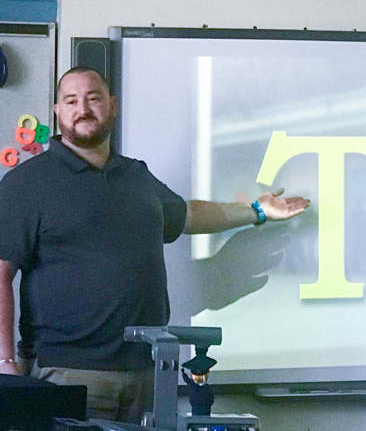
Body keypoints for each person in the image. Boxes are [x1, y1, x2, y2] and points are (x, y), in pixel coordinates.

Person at [0, 67, 309, 423]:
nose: (82, 108)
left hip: (147, 370)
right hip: (70, 373)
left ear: (112, 106)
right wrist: (5, 362)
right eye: (71, 101)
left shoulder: (136, 175)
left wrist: (256, 210)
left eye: (93, 98)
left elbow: (187, 215)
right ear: (58, 111)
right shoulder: (27, 183)